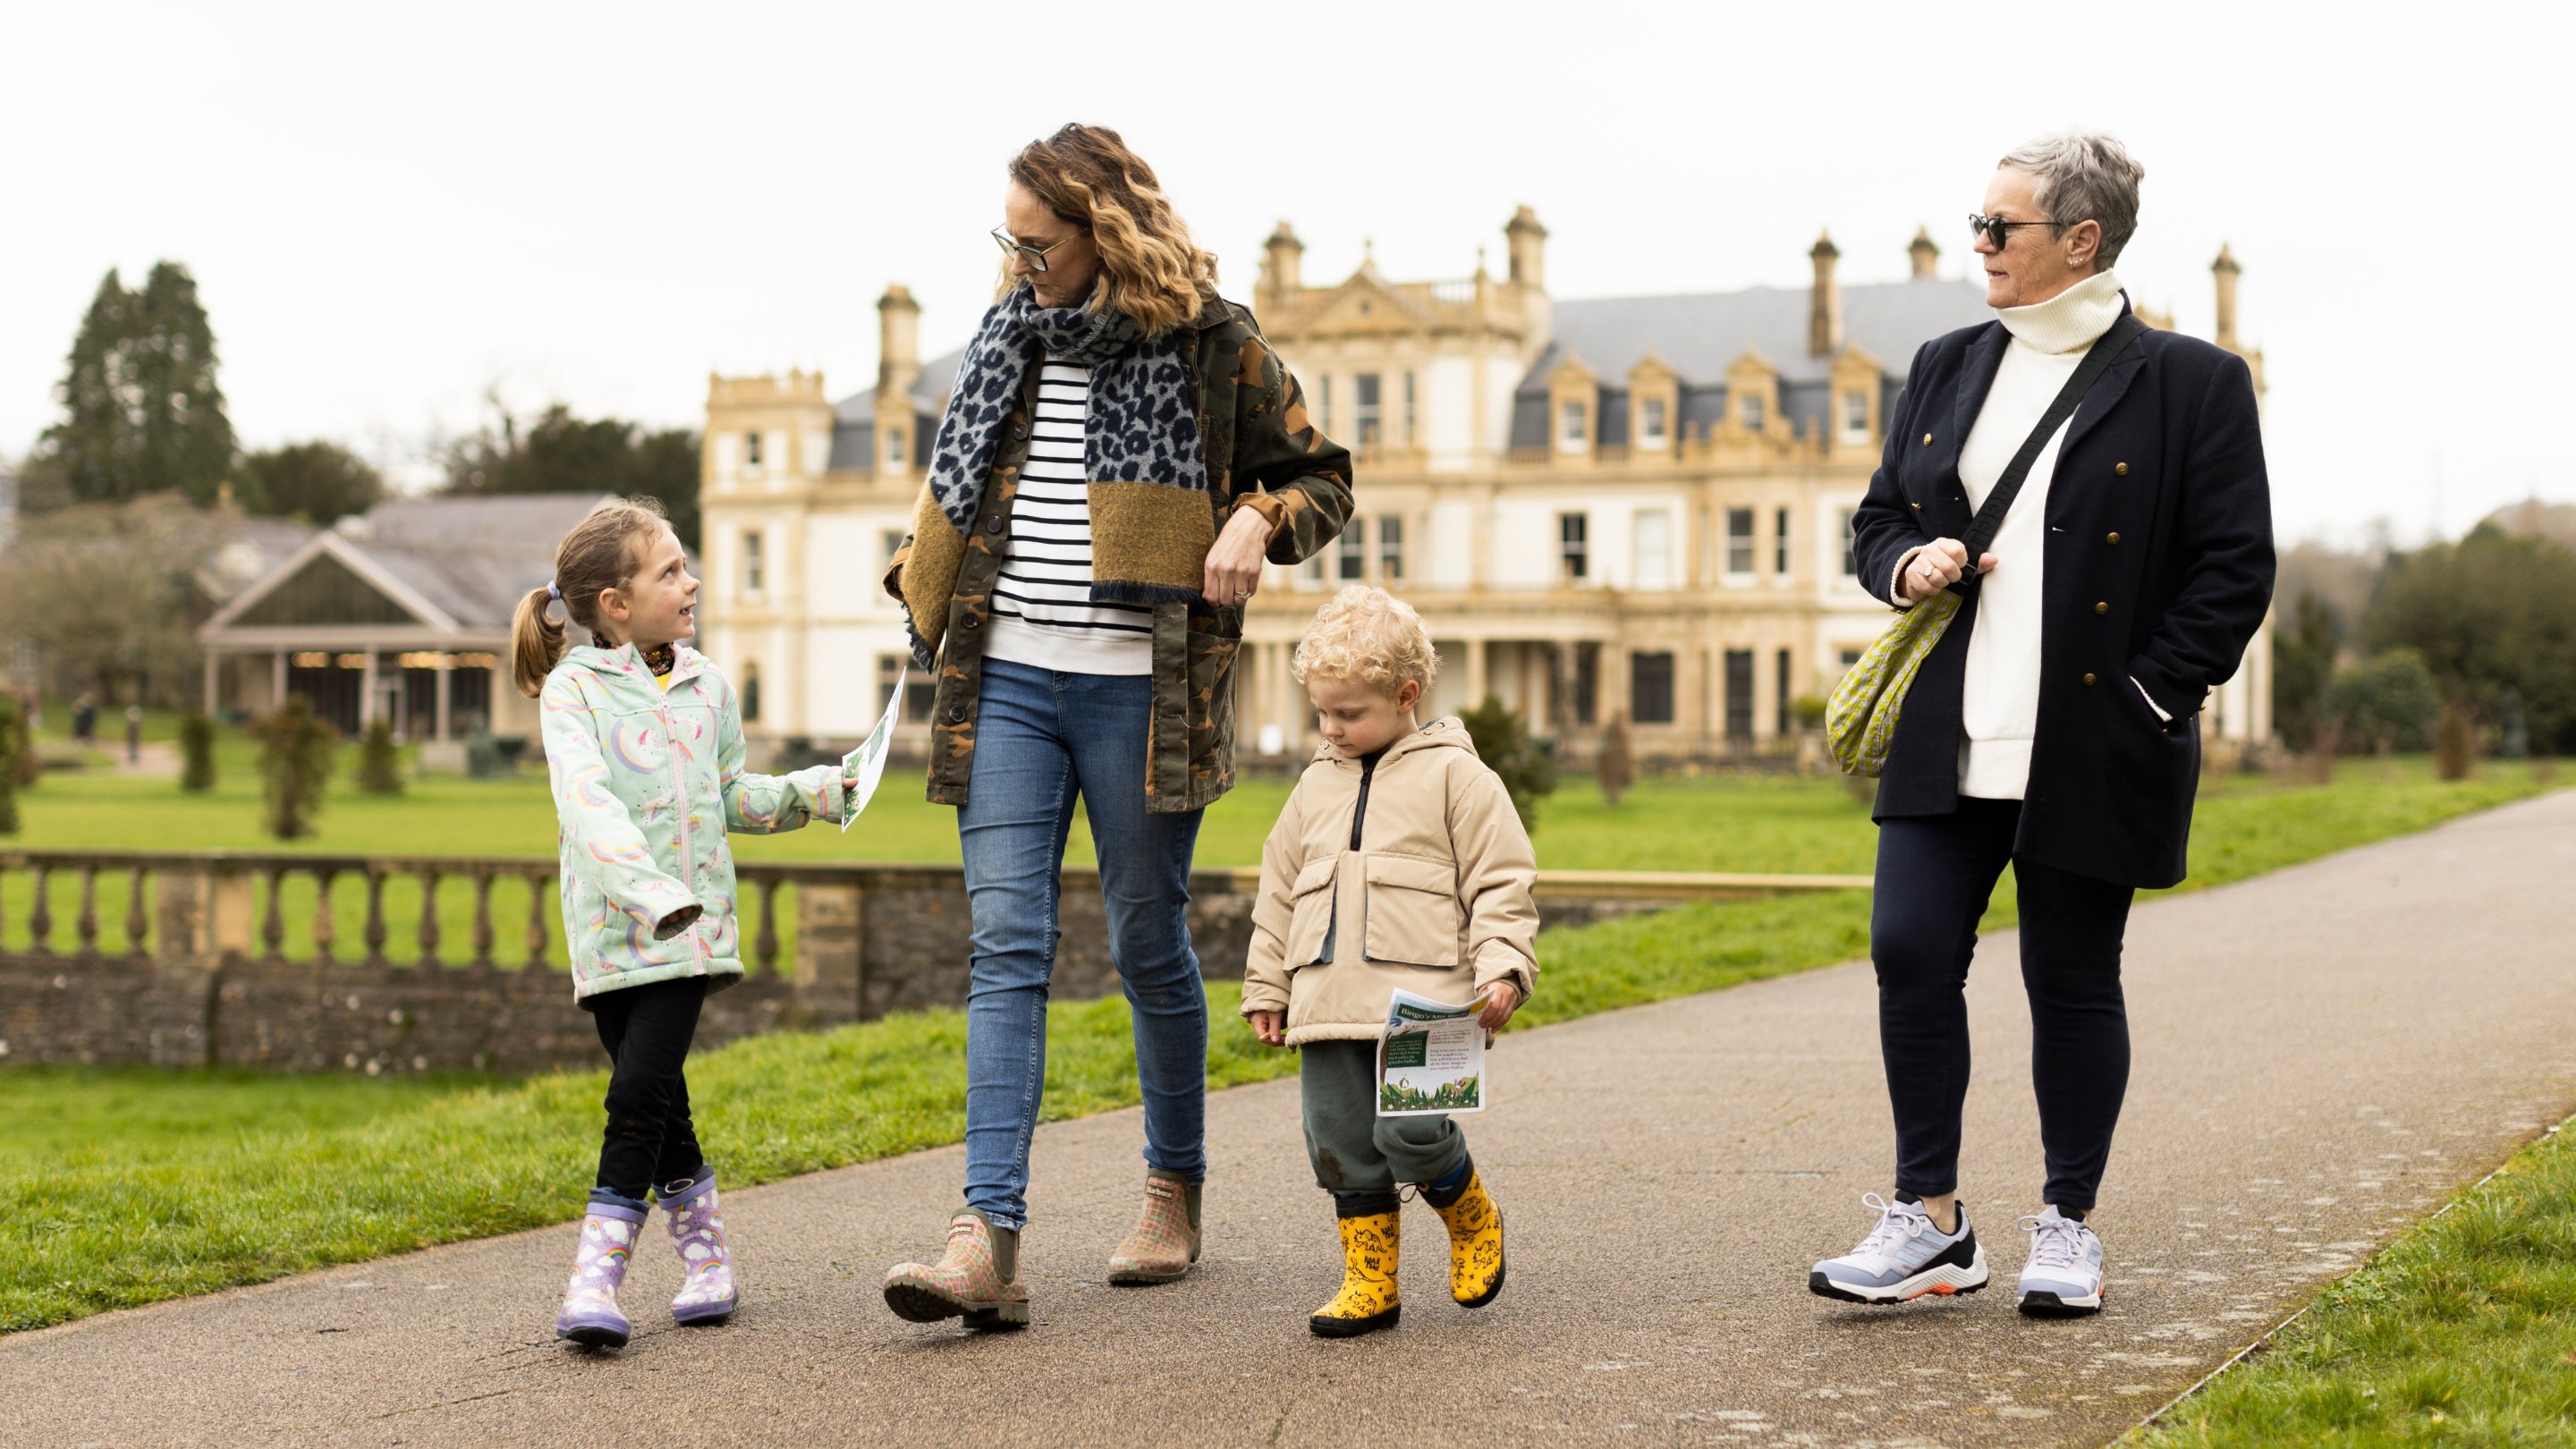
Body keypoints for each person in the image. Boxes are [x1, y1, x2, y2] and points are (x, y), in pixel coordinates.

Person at [878, 123, 1352, 1331]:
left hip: (1141, 689)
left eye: (1037, 244)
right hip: (1009, 684)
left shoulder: (1215, 343)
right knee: (1007, 948)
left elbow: (1323, 478)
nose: (1018, 262)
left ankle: (1172, 1189)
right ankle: (987, 1237)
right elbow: (981, 488)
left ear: (1107, 233)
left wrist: (1257, 520)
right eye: (1010, 240)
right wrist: (930, 564)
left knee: (1148, 945)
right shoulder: (1005, 339)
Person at [1815, 132, 2273, 1317]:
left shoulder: (2192, 382)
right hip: (1946, 732)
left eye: (1998, 228)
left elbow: (2233, 569)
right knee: (1909, 952)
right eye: (1975, 224)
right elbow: (1875, 520)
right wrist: (1907, 560)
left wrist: (2151, 697)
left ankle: (2067, 1224)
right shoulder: (1945, 362)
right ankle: (1930, 1224)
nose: (1978, 248)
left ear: (2081, 239)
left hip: (2090, 741)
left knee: (2071, 979)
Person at [512, 496, 874, 1350]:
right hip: (612, 935)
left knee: (636, 1095)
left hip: (692, 935)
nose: (692, 580)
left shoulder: (708, 684)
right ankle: (709, 1261)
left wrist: (816, 793)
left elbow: (728, 793)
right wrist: (647, 892)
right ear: (617, 604)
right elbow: (586, 806)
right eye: (670, 569)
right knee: (662, 1101)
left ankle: (594, 1282)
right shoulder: (574, 693)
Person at [1240, 586, 1538, 1337]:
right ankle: (1370, 1280)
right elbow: (1278, 894)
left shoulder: (1459, 779)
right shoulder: (1312, 788)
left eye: (1350, 714)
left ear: (1406, 696)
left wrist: (1502, 968)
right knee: (1340, 1143)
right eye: (1322, 714)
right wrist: (1268, 986)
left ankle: (1470, 1215)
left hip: (1429, 1002)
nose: (1333, 730)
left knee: (1411, 1133)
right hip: (1328, 1001)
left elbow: (1501, 881)